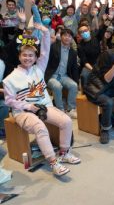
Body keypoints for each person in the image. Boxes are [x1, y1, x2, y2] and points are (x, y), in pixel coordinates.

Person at [3, 22, 81, 177]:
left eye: (31, 55)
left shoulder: (39, 69)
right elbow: (9, 101)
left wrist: (45, 32)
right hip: (23, 112)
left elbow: (45, 51)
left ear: (35, 57)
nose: (28, 58)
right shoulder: (10, 79)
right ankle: (53, 162)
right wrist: (29, 107)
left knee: (66, 121)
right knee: (40, 127)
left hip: (44, 106)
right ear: (19, 56)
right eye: (24, 55)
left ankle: (64, 153)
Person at [45, 28, 79, 118]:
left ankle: (71, 109)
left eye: (69, 36)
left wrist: (77, 81)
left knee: (74, 85)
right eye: (65, 35)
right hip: (52, 75)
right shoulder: (54, 46)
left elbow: (75, 68)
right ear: (61, 36)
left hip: (64, 76)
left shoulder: (73, 52)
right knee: (57, 86)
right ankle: (60, 109)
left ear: (72, 38)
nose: (67, 38)